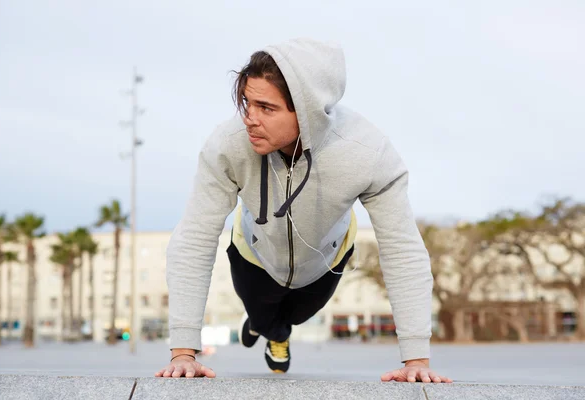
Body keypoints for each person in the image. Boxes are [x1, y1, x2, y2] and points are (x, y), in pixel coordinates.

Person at [155, 38, 452, 384]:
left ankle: (276, 329)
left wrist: (416, 359)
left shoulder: (368, 153)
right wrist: (183, 352)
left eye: (267, 108)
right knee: (265, 317)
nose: (250, 119)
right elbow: (193, 237)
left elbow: (403, 249)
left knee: (297, 315)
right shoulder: (227, 146)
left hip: (325, 260)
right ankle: (266, 328)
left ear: (307, 109)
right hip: (255, 255)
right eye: (248, 103)